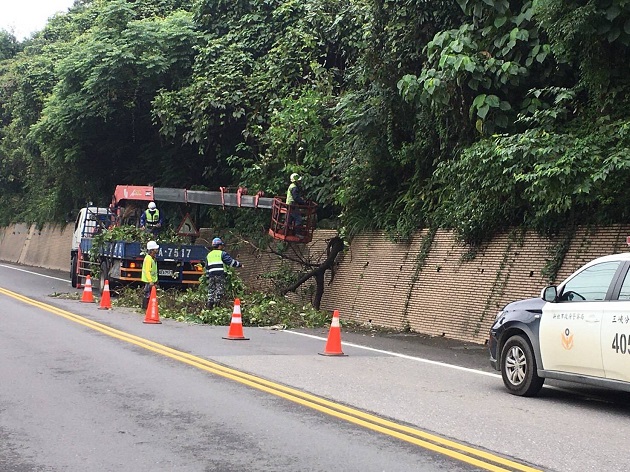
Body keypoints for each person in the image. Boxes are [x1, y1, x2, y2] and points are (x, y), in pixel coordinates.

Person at [205, 237, 243, 309]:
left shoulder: (209, 255)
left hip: (211, 275)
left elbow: (207, 267)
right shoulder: (222, 254)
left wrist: (208, 276)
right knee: (219, 290)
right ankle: (217, 307)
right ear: (219, 246)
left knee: (211, 291)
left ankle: (209, 307)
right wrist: (240, 265)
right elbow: (230, 262)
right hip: (220, 274)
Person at [141, 240, 159, 309]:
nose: (156, 250)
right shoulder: (148, 259)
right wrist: (150, 281)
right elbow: (147, 271)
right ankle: (145, 307)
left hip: (152, 280)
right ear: (151, 250)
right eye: (155, 249)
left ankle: (148, 307)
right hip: (149, 281)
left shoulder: (153, 258)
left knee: (150, 294)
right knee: (147, 294)